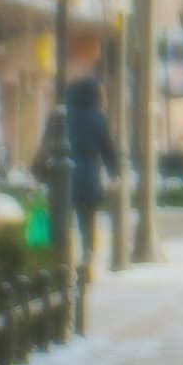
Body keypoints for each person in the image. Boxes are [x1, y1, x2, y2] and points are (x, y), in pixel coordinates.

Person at [61, 80, 119, 279]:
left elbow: (46, 145)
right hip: (89, 175)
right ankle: (86, 260)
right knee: (88, 222)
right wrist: (114, 172)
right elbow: (107, 148)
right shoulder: (97, 118)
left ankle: (63, 261)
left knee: (64, 221)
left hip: (65, 177)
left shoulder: (63, 117)